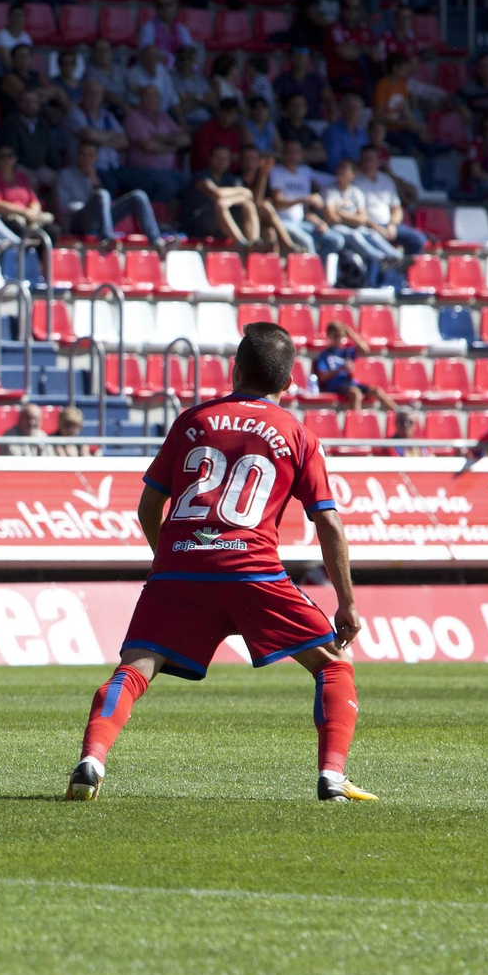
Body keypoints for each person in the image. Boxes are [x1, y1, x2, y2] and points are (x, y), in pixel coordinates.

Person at [63, 322, 375, 804]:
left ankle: (92, 759)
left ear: (234, 369)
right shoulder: (298, 434)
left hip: (180, 569)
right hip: (253, 571)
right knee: (333, 664)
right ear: (288, 382)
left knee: (135, 668)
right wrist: (348, 603)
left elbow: (149, 507)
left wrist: (167, 560)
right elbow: (328, 523)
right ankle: (332, 777)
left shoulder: (193, 420)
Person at [54, 141, 165, 248]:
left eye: (90, 155)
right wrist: (88, 206)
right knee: (102, 194)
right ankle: (107, 238)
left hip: (97, 221)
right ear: (77, 155)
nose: (86, 159)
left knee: (138, 196)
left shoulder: (97, 175)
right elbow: (64, 207)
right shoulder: (65, 175)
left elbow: (103, 204)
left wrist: (95, 183)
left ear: (95, 158)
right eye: (83, 155)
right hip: (77, 222)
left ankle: (156, 241)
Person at [323, 158, 402, 287]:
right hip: (336, 228)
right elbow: (331, 218)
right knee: (355, 235)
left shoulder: (355, 192)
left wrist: (340, 213)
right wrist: (352, 218)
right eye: (340, 170)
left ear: (353, 175)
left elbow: (362, 218)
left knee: (372, 234)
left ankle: (396, 256)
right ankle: (380, 258)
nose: (341, 173)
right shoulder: (330, 190)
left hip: (354, 226)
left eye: (345, 170)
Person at [267, 138, 343, 257]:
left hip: (302, 222)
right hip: (283, 222)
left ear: (301, 155)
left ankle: (320, 269)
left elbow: (334, 179)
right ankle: (314, 273)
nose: (293, 155)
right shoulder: (276, 172)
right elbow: (277, 202)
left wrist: (318, 221)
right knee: (307, 241)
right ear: (283, 154)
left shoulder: (305, 171)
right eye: (289, 152)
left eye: (296, 152)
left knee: (336, 240)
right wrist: (303, 199)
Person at [180, 144, 261, 246]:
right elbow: (216, 193)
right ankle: (242, 244)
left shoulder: (231, 178)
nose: (222, 162)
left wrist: (228, 201)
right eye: (218, 158)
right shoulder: (200, 176)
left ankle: (254, 243)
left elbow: (249, 195)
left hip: (222, 223)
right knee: (221, 204)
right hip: (199, 221)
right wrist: (239, 193)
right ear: (210, 159)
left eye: (225, 159)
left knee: (248, 205)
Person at [354, 145, 425, 257]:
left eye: (371, 159)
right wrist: (377, 228)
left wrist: (392, 225)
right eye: (364, 159)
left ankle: (402, 269)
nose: (367, 163)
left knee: (418, 239)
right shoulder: (355, 182)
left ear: (378, 161)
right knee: (379, 250)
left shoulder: (386, 180)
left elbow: (396, 208)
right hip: (368, 227)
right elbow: (358, 213)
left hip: (389, 225)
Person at [122, 85, 191, 202]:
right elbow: (149, 146)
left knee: (192, 184)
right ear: (140, 98)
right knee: (167, 185)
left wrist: (159, 138)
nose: (152, 99)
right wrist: (173, 146)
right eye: (148, 95)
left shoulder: (163, 117)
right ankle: (153, 218)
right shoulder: (133, 117)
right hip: (141, 170)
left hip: (168, 170)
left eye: (155, 95)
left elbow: (186, 139)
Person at [314, 319, 396, 413]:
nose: (339, 340)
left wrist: (351, 334)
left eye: (341, 336)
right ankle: (357, 422)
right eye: (336, 337)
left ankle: (398, 412)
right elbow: (322, 377)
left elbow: (365, 350)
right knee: (355, 393)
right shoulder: (325, 355)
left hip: (350, 383)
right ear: (329, 336)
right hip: (336, 385)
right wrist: (341, 369)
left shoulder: (346, 351)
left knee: (377, 391)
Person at [0, 145, 47, 241]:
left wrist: (33, 213)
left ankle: (43, 256)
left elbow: (34, 201)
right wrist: (24, 212)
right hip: (7, 218)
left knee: (51, 230)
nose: (6, 160)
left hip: (28, 217)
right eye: (1, 156)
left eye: (9, 156)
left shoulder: (22, 176)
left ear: (15, 158)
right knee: (21, 231)